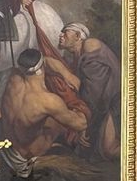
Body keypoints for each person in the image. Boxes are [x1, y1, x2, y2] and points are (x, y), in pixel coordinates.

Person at [0, 49, 90, 177]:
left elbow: (43, 63)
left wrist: (66, 74)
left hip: (5, 144)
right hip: (26, 154)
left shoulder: (13, 78)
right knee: (58, 125)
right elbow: (81, 124)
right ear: (41, 68)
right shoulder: (48, 100)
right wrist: (77, 105)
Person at [45, 22, 121, 159]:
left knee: (109, 149)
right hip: (100, 105)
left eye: (65, 32)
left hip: (112, 103)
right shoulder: (76, 58)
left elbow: (95, 93)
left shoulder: (90, 45)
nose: (60, 35)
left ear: (78, 36)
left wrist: (84, 123)